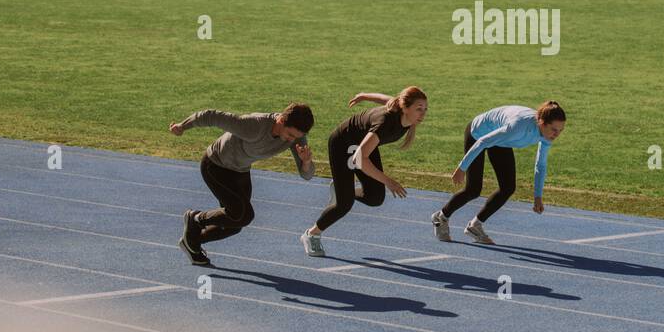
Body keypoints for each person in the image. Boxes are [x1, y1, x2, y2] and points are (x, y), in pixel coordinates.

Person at [169, 104, 314, 265]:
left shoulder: (296, 138)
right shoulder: (254, 125)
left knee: (236, 223)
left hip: (240, 171)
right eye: (290, 135)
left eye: (296, 137)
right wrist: (182, 126)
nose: (292, 140)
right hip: (216, 165)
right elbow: (211, 115)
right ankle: (195, 218)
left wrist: (306, 162)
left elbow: (306, 174)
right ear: (280, 120)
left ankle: (192, 242)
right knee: (243, 215)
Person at [300, 86, 427, 257]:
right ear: (405, 107)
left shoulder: (401, 112)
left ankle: (342, 190)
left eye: (425, 109)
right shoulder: (385, 123)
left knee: (375, 197)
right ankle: (312, 234)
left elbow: (386, 99)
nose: (423, 113)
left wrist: (364, 96)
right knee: (344, 205)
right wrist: (389, 181)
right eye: (419, 109)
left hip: (363, 145)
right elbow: (358, 160)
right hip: (343, 144)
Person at [431, 101, 565, 245]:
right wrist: (462, 168)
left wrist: (538, 196)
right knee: (473, 189)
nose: (557, 134)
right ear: (542, 123)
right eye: (554, 129)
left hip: (501, 141)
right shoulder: (518, 126)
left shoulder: (546, 135)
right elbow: (483, 141)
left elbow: (541, 164)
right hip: (478, 134)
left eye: (560, 130)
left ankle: (475, 226)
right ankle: (441, 217)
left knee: (508, 187)